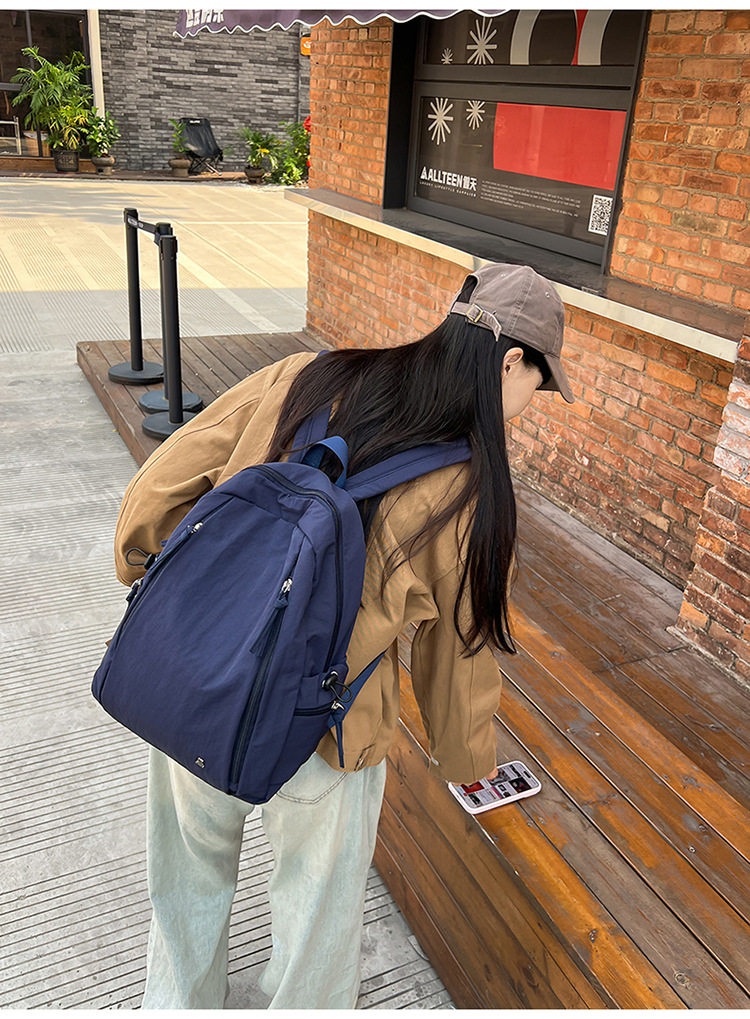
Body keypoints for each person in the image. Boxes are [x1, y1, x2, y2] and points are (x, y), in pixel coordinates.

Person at [113, 261, 574, 1009]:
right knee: (316, 927)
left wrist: (147, 572)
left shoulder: (306, 375)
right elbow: (456, 656)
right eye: (539, 384)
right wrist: (465, 760)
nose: (531, 404)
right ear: (511, 361)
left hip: (200, 681)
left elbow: (159, 487)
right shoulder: (471, 489)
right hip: (328, 728)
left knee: (186, 881)